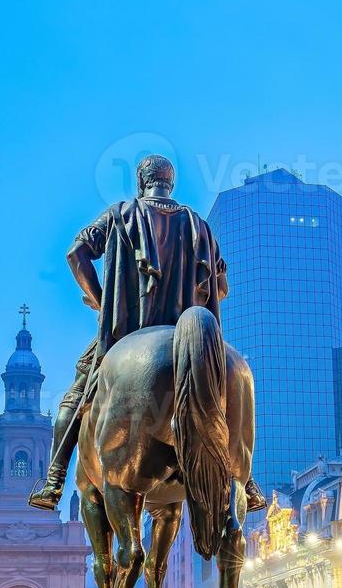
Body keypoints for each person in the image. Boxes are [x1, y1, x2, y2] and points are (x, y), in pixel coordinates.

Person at [28, 154, 267, 514]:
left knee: (75, 397)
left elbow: (75, 253)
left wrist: (101, 299)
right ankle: (245, 480)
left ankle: (54, 479)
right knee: (227, 390)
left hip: (127, 333)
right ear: (170, 184)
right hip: (188, 332)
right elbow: (221, 288)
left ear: (142, 182)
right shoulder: (199, 225)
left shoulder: (119, 214)